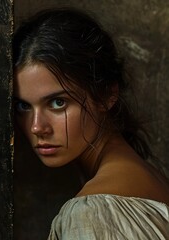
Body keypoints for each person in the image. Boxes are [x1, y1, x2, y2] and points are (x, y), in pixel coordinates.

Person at [13, 8, 169, 239]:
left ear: (107, 95)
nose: (37, 127)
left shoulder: (92, 215)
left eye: (57, 103)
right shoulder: (150, 176)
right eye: (24, 106)